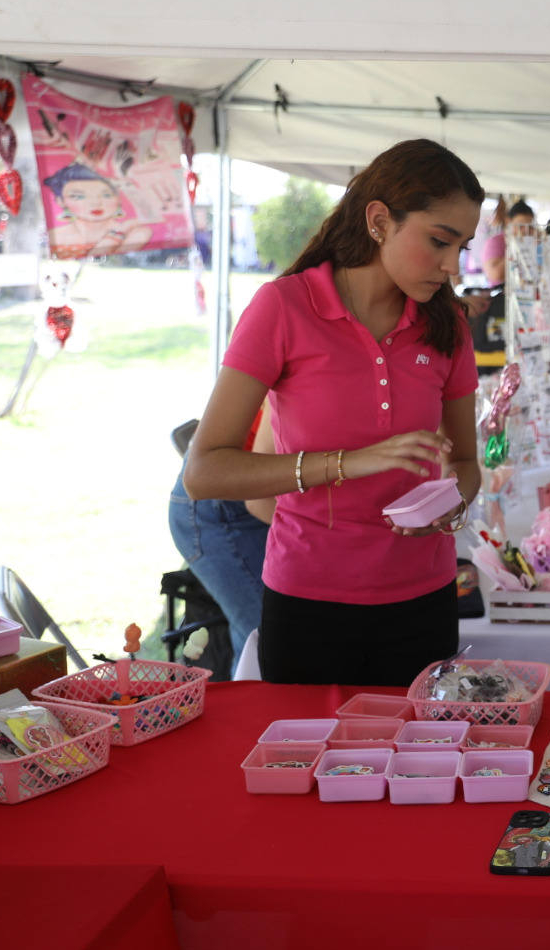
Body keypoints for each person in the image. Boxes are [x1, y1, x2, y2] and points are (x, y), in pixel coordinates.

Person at [183, 139, 484, 686]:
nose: (452, 266)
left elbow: (466, 461)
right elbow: (204, 472)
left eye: (462, 247)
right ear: (378, 221)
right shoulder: (283, 309)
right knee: (312, 768)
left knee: (421, 764)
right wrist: (349, 462)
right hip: (309, 602)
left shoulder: (448, 327)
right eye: (440, 241)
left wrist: (452, 502)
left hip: (425, 600)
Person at [168, 406, 276, 671]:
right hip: (220, 509)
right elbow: (259, 500)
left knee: (263, 637)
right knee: (267, 637)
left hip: (253, 496)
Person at [43, 163, 153, 257]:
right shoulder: (51, 237)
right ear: (60, 201)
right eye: (79, 196)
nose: (95, 203)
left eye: (106, 195)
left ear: (118, 197)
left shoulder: (136, 233)